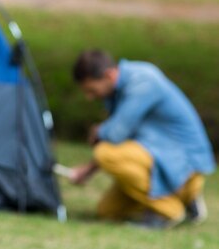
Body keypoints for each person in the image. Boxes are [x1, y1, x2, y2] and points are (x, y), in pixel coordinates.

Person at [68, 49, 216, 229]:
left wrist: (98, 131)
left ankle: (168, 210)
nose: (90, 97)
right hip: (157, 156)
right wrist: (88, 170)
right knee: (107, 211)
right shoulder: (117, 91)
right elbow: (121, 135)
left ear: (109, 75)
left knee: (105, 153)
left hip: (184, 162)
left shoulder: (142, 81)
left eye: (91, 90)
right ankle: (183, 200)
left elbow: (115, 134)